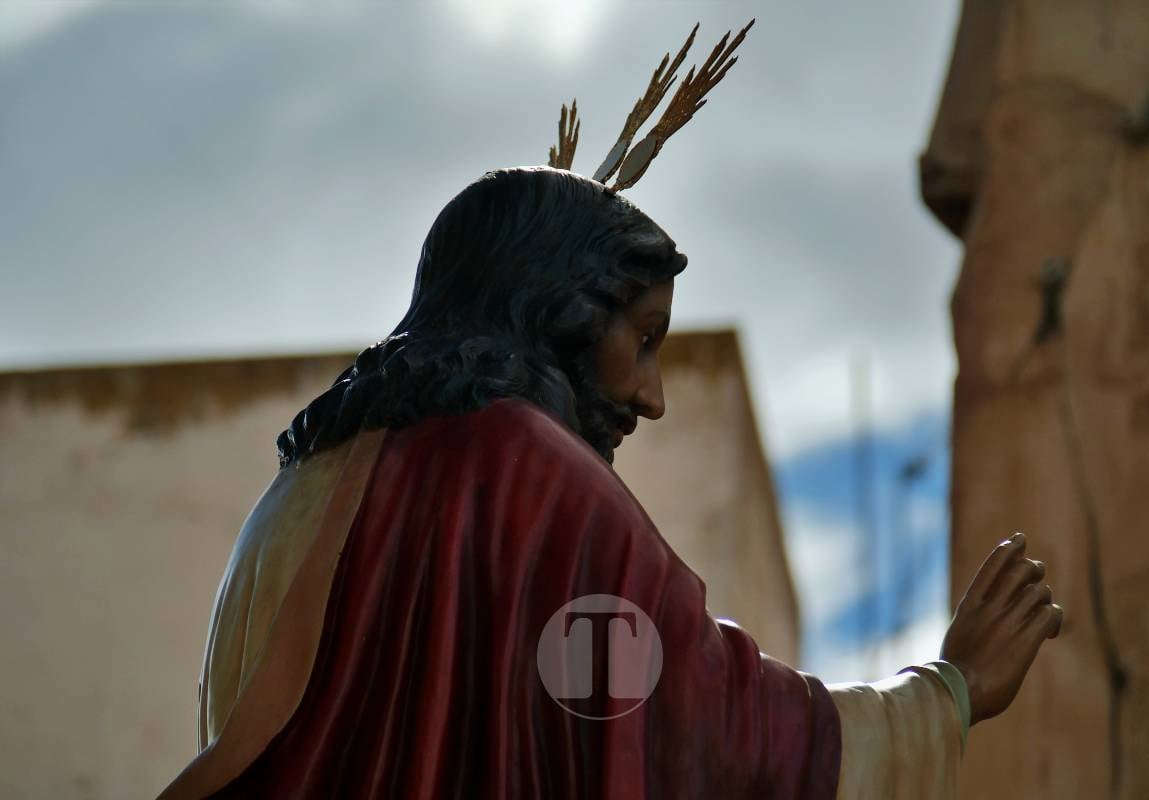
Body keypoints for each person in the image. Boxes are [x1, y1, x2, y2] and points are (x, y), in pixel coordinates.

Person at [159, 24, 1063, 799]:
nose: (652, 397)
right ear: (564, 318)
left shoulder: (289, 502)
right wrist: (946, 692)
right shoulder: (521, 473)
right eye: (643, 339)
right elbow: (698, 728)